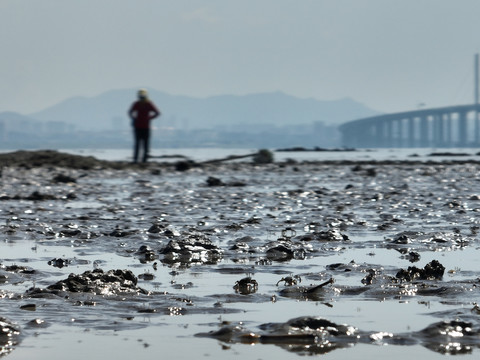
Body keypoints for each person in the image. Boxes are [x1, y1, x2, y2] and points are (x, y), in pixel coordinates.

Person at [128, 89, 161, 163]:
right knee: (137, 144)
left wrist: (149, 118)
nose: (141, 98)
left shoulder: (149, 104)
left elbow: (157, 113)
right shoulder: (136, 104)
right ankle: (135, 160)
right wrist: (134, 118)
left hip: (146, 127)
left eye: (143, 96)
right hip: (137, 127)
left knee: (145, 144)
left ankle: (144, 160)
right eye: (140, 96)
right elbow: (130, 112)